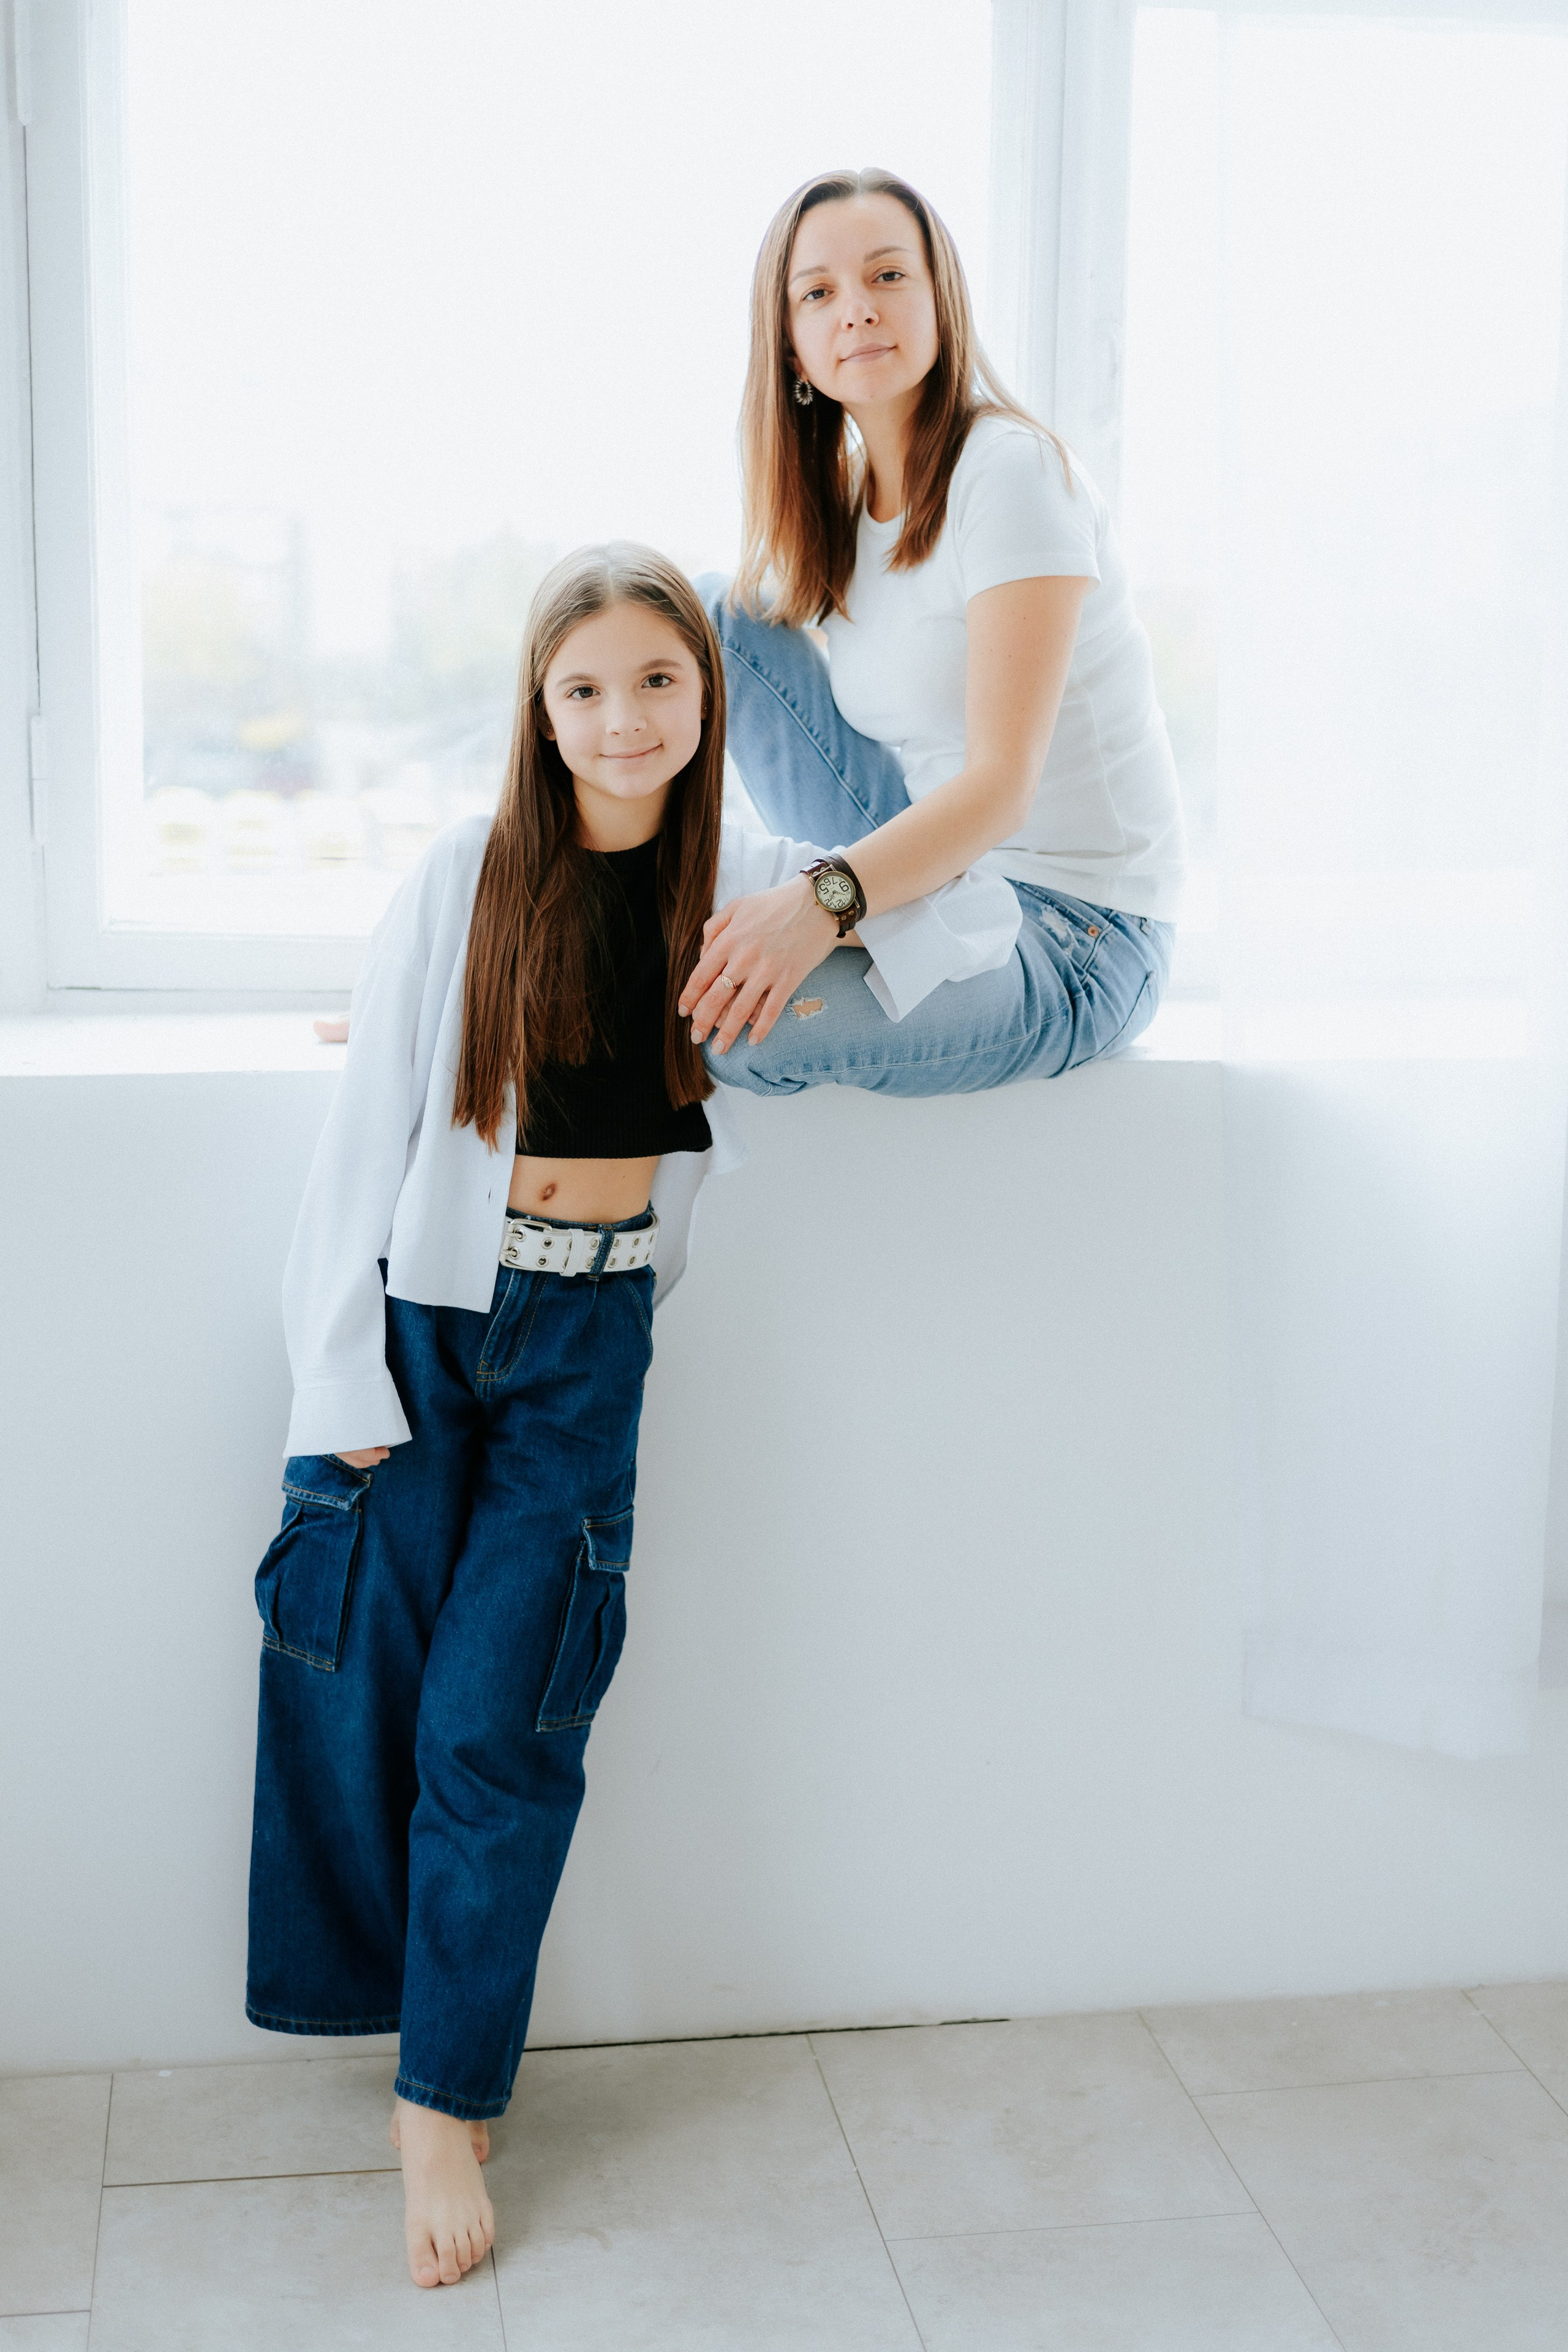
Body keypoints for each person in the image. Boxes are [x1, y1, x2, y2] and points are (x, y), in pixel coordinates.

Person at [246, 543, 1011, 2290]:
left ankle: (439, 2099)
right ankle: (422, 2038)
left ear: (706, 698)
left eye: (658, 682)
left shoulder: (737, 881)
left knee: (506, 1726)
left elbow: (969, 900)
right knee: (357, 1693)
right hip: (434, 1331)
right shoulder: (465, 876)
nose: (621, 717)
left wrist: (826, 906)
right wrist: (336, 1377)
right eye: (584, 687)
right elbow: (361, 1149)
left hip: (591, 1349)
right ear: (538, 706)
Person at [678, 166, 1185, 1089]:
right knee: (710, 618)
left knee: (731, 1028)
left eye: (888, 276)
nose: (858, 310)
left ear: (941, 300)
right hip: (946, 873)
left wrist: (816, 904)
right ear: (792, 348)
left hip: (1077, 931)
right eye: (819, 293)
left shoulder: (1011, 475)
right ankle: (550, 942)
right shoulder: (841, 509)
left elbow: (1000, 789)